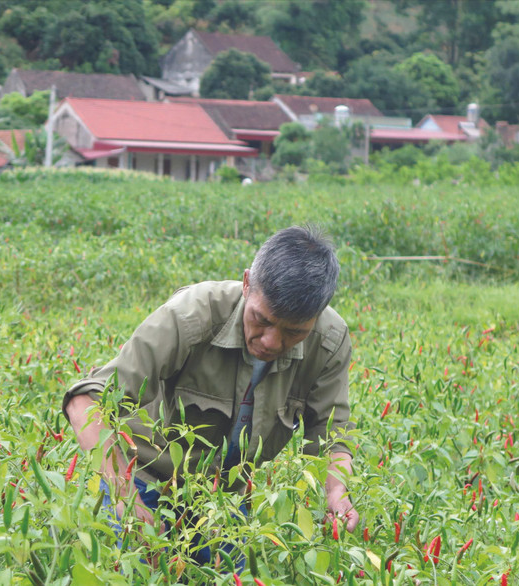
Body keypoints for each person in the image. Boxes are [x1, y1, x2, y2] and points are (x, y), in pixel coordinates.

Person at [62, 225, 358, 563]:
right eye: (261, 320)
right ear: (246, 283)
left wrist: (337, 491)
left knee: (230, 573)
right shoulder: (191, 314)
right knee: (134, 570)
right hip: (145, 478)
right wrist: (125, 498)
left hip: (225, 495)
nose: (271, 342)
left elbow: (331, 436)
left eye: (293, 332)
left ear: (317, 316)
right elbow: (85, 402)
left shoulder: (329, 341)